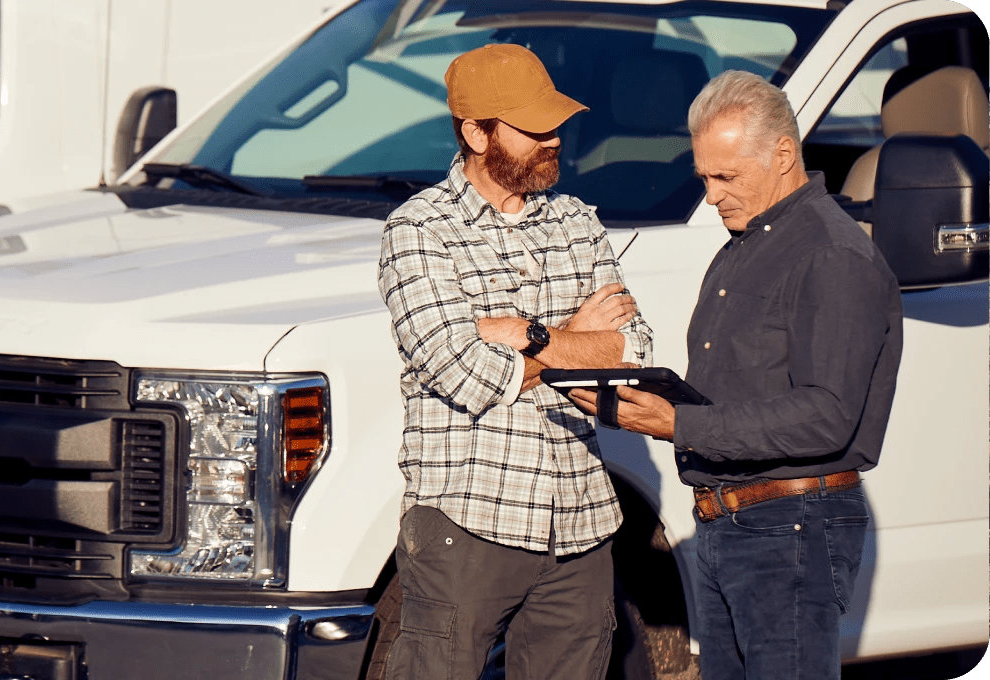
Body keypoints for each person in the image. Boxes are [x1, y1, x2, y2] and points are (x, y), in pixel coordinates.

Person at [579, 70, 903, 680]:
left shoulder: (829, 255)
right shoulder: (747, 244)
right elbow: (742, 393)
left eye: (726, 176)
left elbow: (826, 415)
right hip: (729, 521)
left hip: (790, 529)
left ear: (784, 156)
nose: (711, 195)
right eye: (704, 176)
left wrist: (682, 421)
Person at [377, 43, 653, 680]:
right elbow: (462, 373)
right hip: (467, 519)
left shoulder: (578, 223)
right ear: (475, 133)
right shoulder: (420, 229)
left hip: (581, 520)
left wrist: (520, 335)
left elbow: (633, 351)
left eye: (556, 123)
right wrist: (574, 337)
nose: (554, 139)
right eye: (534, 128)